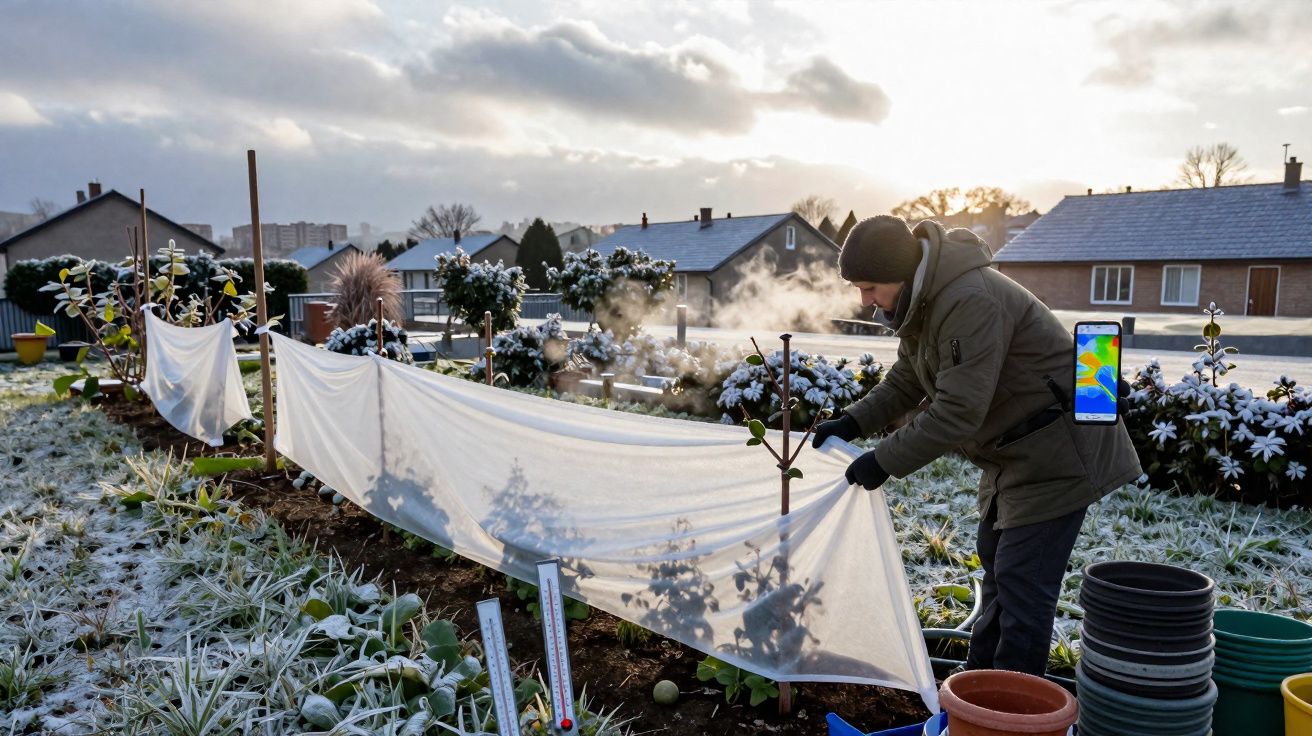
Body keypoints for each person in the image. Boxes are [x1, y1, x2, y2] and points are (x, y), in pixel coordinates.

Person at [811, 215, 1141, 676]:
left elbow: (956, 411)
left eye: (869, 287)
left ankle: (1013, 711)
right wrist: (852, 421)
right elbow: (907, 379)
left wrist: (881, 462)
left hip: (1058, 455)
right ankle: (977, 690)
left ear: (900, 274)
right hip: (1013, 457)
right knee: (998, 575)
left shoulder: (967, 300)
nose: (866, 301)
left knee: (1022, 587)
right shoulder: (922, 302)